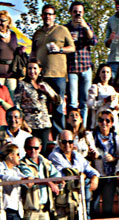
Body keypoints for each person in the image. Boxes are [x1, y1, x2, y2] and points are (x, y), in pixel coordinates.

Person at [31, 4, 75, 136]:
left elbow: (72, 48)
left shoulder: (62, 30)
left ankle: (59, 139)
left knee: (58, 108)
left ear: (54, 16)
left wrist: (60, 49)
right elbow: (33, 52)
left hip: (58, 75)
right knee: (40, 107)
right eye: (45, 14)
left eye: (50, 14)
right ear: (42, 16)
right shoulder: (37, 33)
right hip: (41, 76)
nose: (47, 16)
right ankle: (42, 138)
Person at [49, 129, 99, 218]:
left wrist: (94, 177)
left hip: (78, 196)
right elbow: (65, 174)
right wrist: (81, 175)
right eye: (64, 142)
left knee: (85, 216)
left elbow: (89, 169)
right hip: (64, 199)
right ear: (59, 142)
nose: (67, 145)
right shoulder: (54, 156)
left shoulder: (77, 155)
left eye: (70, 142)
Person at [14, 59, 59, 155]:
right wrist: (23, 124)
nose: (32, 71)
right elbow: (17, 105)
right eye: (29, 68)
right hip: (29, 123)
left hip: (44, 123)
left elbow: (58, 101)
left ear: (39, 70)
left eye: (35, 68)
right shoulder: (22, 84)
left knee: (42, 151)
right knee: (30, 151)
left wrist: (47, 92)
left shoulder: (43, 84)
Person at [66, 1, 98, 124]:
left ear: (83, 13)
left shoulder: (87, 26)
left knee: (84, 101)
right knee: (73, 101)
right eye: (75, 12)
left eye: (80, 12)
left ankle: (82, 127)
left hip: (85, 67)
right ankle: (71, 127)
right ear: (70, 13)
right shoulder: (65, 28)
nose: (77, 15)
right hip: (72, 68)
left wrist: (85, 27)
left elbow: (94, 41)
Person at [19, 135, 61, 220]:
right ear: (25, 149)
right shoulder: (22, 164)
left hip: (45, 209)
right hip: (30, 211)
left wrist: (60, 181)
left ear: (40, 148)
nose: (33, 151)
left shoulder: (45, 162)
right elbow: (31, 179)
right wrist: (49, 183)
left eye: (36, 148)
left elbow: (56, 175)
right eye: (30, 148)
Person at [90, 108, 119, 218]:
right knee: (93, 205)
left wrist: (113, 159)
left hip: (109, 176)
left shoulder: (116, 139)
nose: (104, 123)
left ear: (112, 123)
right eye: (101, 120)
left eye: (107, 120)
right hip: (96, 174)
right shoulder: (91, 136)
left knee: (108, 207)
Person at [87, 63, 119, 130]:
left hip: (112, 123)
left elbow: (113, 106)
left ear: (111, 74)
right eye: (103, 72)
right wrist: (104, 100)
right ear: (99, 74)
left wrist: (117, 108)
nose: (105, 74)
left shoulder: (112, 89)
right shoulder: (95, 87)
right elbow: (90, 104)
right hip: (99, 122)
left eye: (108, 72)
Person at [0, 143, 24, 220]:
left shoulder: (16, 170)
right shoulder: (1, 167)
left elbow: (26, 178)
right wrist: (22, 180)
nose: (19, 157)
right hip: (6, 209)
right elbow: (4, 177)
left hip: (16, 209)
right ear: (10, 156)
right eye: (17, 154)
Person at [0, 10, 19, 95]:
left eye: (2, 21)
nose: (0, 23)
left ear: (8, 22)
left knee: (12, 100)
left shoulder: (14, 35)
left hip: (12, 73)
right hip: (0, 74)